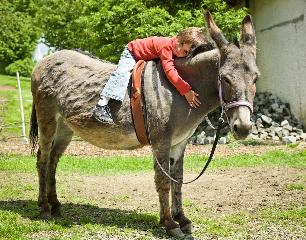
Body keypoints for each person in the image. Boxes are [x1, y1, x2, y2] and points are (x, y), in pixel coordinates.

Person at [93, 27, 209, 124]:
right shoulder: (166, 46)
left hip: (145, 57)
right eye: (185, 52)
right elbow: (170, 71)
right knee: (122, 74)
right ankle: (102, 105)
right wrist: (186, 90)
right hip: (132, 52)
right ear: (178, 41)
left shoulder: (175, 47)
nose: (184, 56)